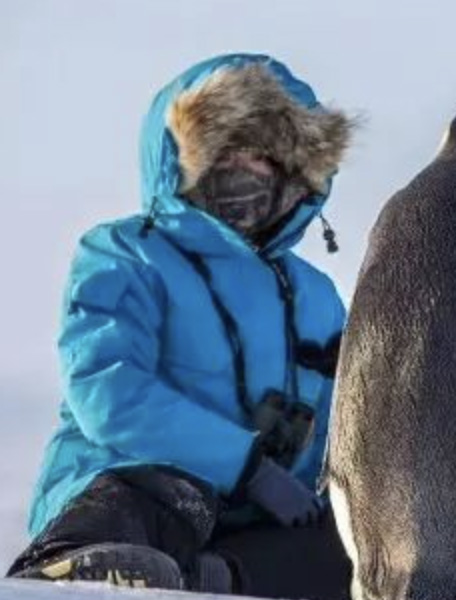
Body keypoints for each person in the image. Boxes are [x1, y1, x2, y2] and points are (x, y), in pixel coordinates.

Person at [5, 53, 357, 598]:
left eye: (270, 156)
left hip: (255, 528)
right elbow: (109, 390)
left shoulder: (317, 296)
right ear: (189, 156)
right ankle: (73, 564)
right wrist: (248, 468)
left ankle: (204, 582)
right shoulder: (125, 254)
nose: (253, 171)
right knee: (169, 488)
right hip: (131, 493)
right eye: (233, 151)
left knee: (354, 541)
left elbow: (352, 420)